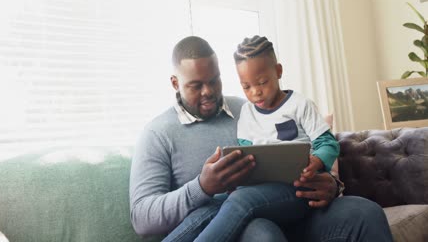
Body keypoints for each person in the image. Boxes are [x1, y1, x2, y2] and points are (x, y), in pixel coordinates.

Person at [129, 36, 393, 242]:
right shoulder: (157, 133)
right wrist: (203, 186)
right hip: (238, 225)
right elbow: (142, 218)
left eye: (215, 81)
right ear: (175, 83)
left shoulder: (248, 108)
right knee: (262, 233)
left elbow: (311, 147)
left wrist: (332, 185)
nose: (208, 91)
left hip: (294, 206)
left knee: (365, 213)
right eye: (196, 85)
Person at [191, 35, 340, 242]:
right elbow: (244, 153)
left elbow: (328, 143)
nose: (256, 92)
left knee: (239, 202)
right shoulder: (247, 113)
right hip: (260, 190)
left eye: (262, 82)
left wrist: (317, 161)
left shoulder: (299, 105)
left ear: (278, 71)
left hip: (298, 189)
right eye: (246, 86)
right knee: (211, 205)